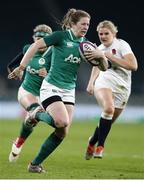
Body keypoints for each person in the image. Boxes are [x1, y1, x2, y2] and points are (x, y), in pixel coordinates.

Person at [8, 9, 108, 173]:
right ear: (73, 24)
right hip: (51, 87)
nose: (86, 27)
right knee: (62, 121)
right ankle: (36, 114)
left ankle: (34, 165)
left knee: (62, 132)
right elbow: (35, 45)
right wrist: (21, 67)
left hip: (69, 91)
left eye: (88, 24)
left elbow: (102, 68)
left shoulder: (86, 44)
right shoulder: (60, 36)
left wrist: (101, 56)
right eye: (83, 24)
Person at [84, 20, 138, 160]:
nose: (103, 36)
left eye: (106, 33)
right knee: (108, 109)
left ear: (114, 33)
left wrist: (110, 57)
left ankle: (92, 141)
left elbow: (133, 66)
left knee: (108, 120)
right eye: (100, 34)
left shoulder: (122, 45)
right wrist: (91, 83)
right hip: (105, 81)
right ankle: (100, 146)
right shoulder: (99, 49)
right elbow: (96, 66)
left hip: (123, 86)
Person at [8, 24, 53, 163]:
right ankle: (54, 122)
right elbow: (11, 65)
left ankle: (19, 142)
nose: (39, 42)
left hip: (44, 95)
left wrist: (48, 74)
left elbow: (62, 76)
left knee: (30, 121)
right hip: (26, 91)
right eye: (37, 38)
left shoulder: (55, 53)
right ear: (33, 38)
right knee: (35, 110)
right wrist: (17, 73)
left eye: (42, 39)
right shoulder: (28, 49)